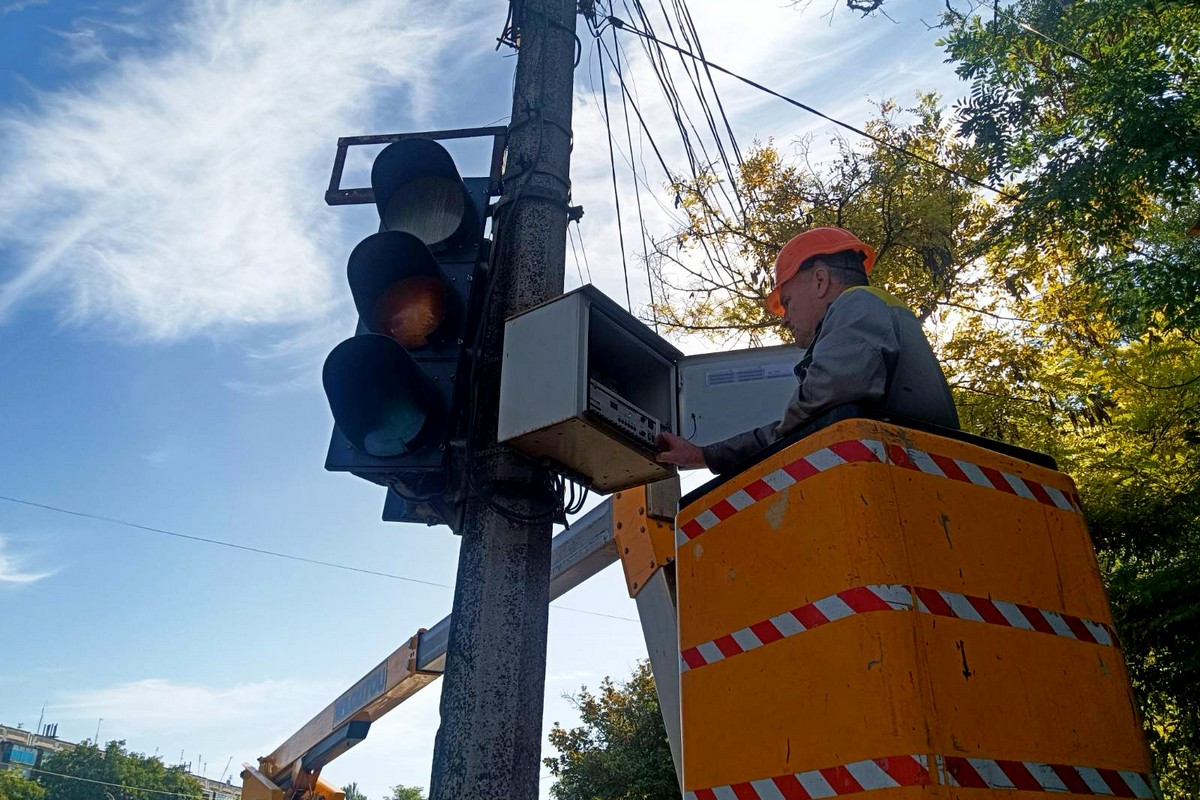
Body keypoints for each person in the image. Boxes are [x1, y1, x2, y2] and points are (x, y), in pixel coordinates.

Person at [656, 227, 959, 474]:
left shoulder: (856, 304)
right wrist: (705, 455)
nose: (785, 318)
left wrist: (708, 455)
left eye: (786, 302)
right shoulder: (873, 309)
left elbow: (817, 408)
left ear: (819, 280)